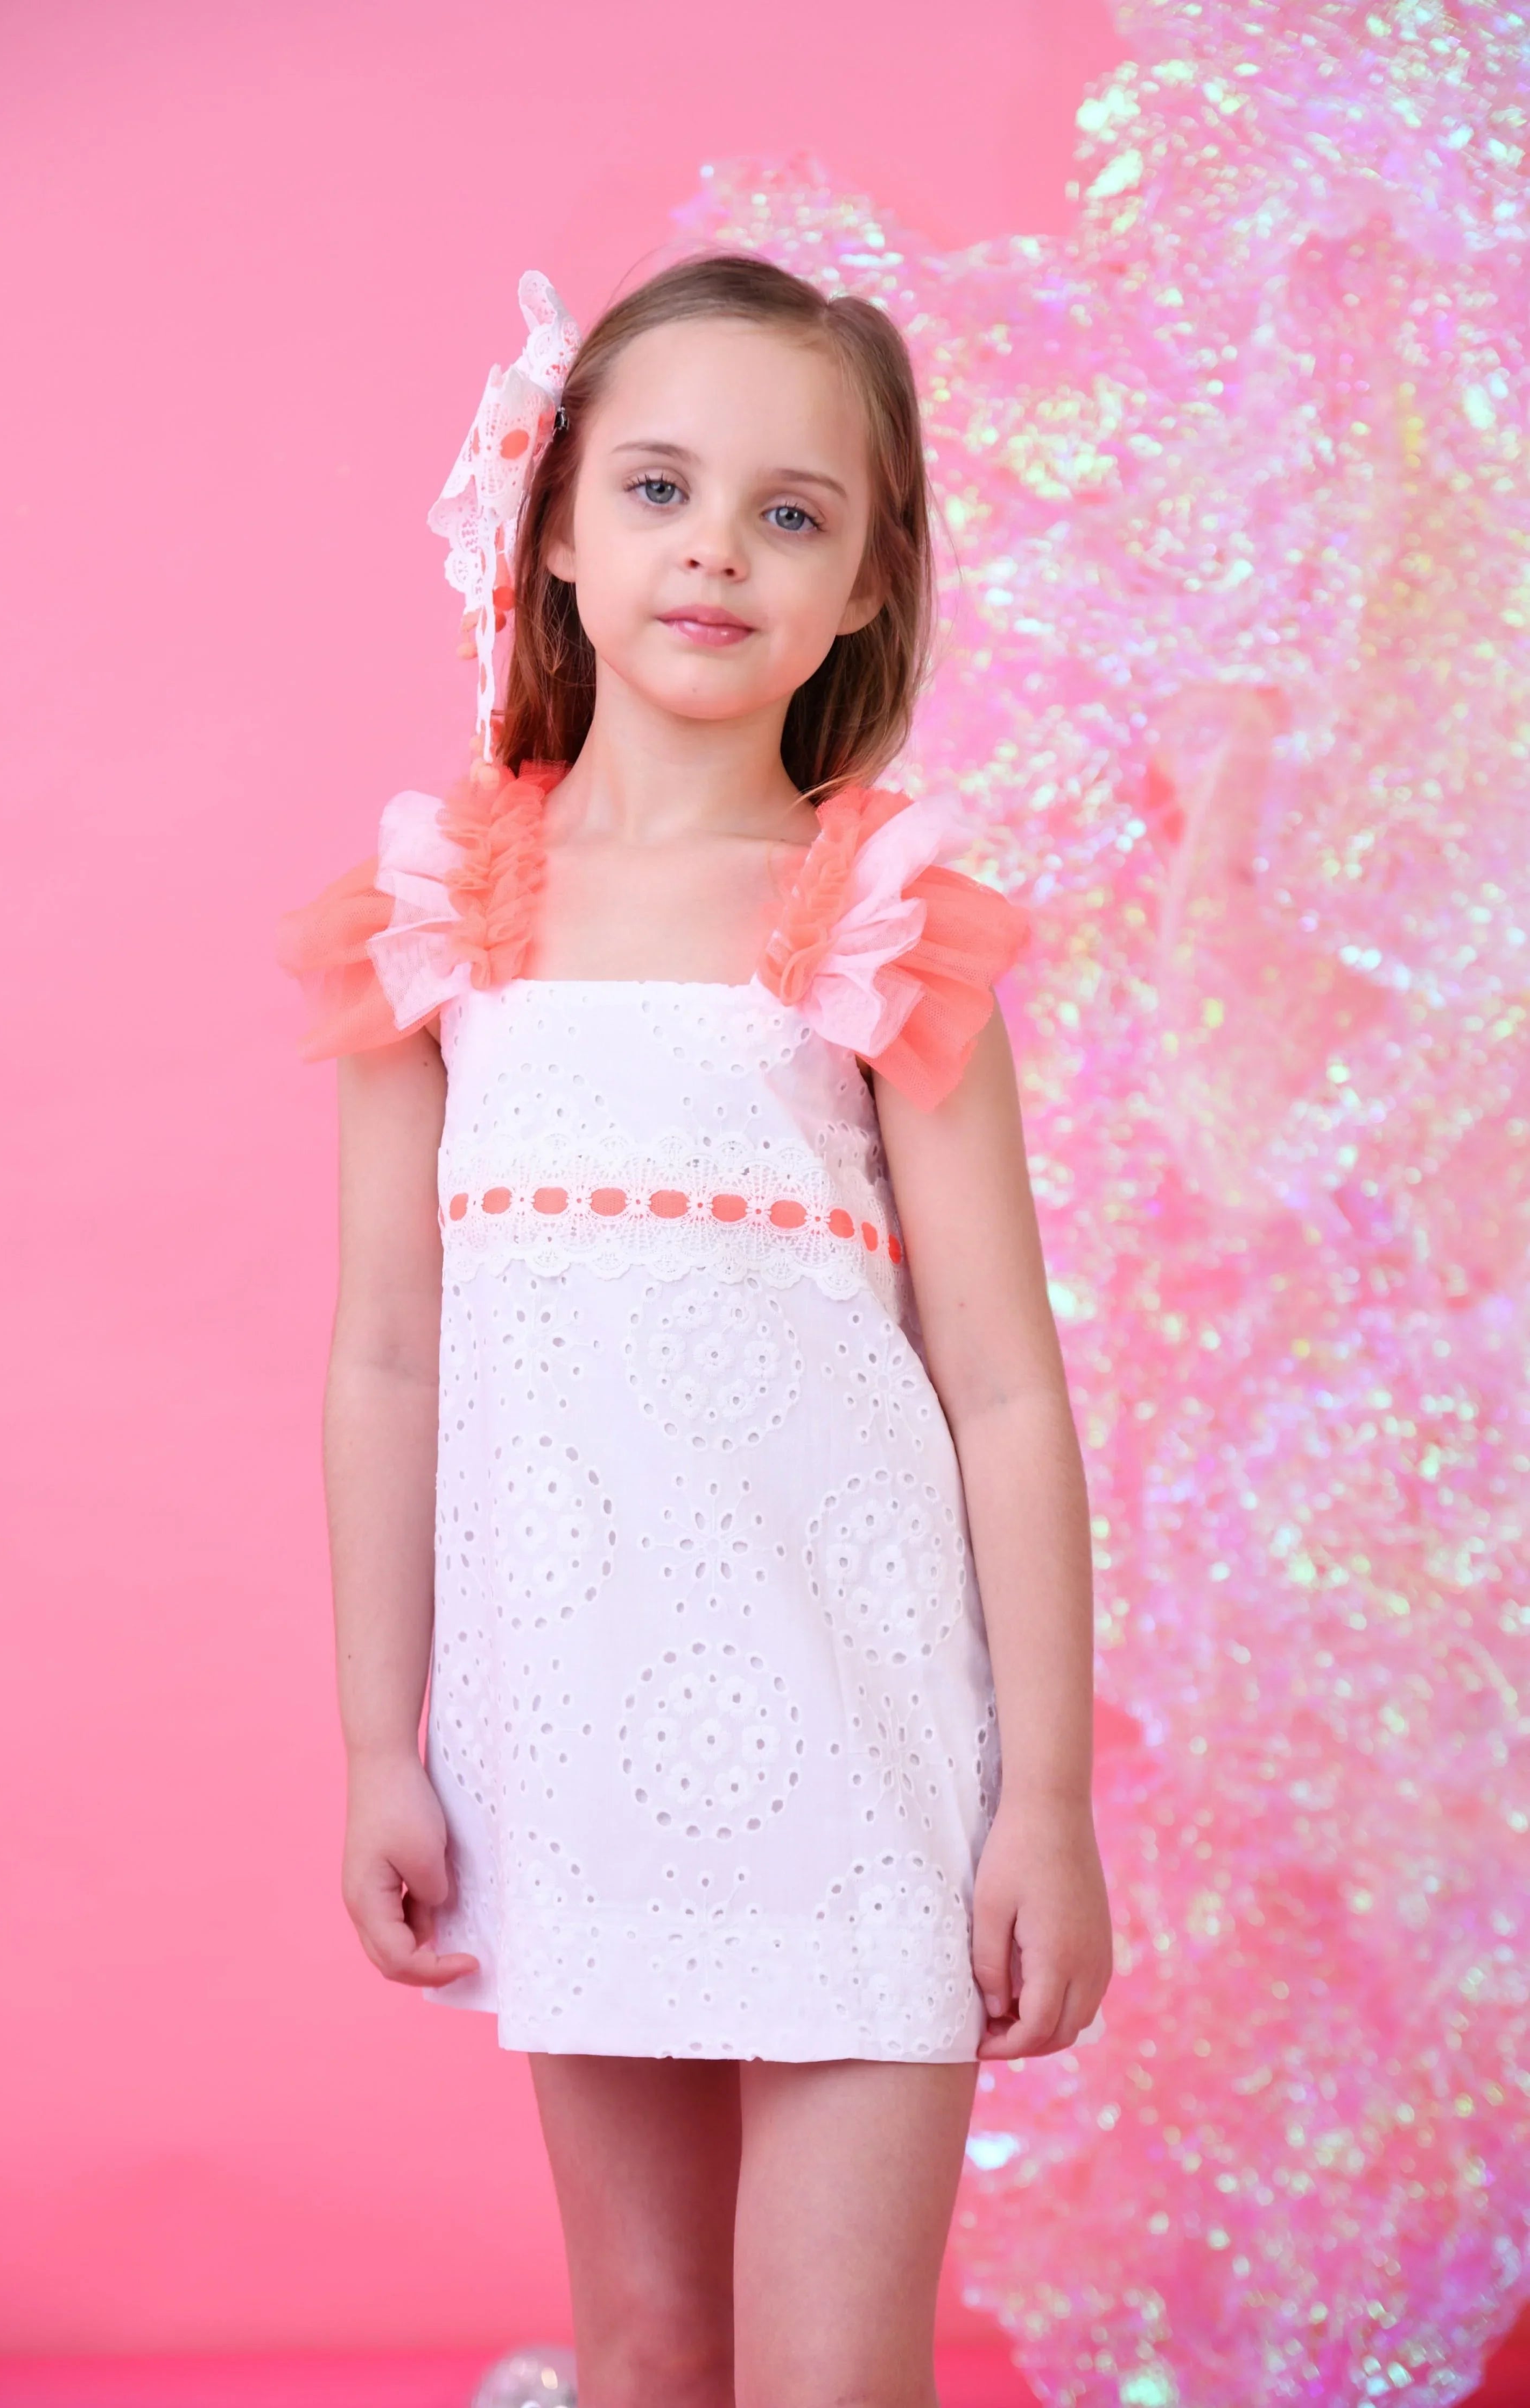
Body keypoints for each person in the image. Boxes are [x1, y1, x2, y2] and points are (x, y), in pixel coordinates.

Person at [279, 253, 1112, 2408]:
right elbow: (383, 1354)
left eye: (789, 510)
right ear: (550, 522)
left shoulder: (879, 917)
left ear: (861, 583)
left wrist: (1043, 1803)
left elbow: (1005, 1386)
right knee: (653, 2343)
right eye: (657, 484)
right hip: (569, 1738)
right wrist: (383, 1736)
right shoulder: (441, 911)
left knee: (831, 2373)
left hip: (856, 1742)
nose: (714, 549)